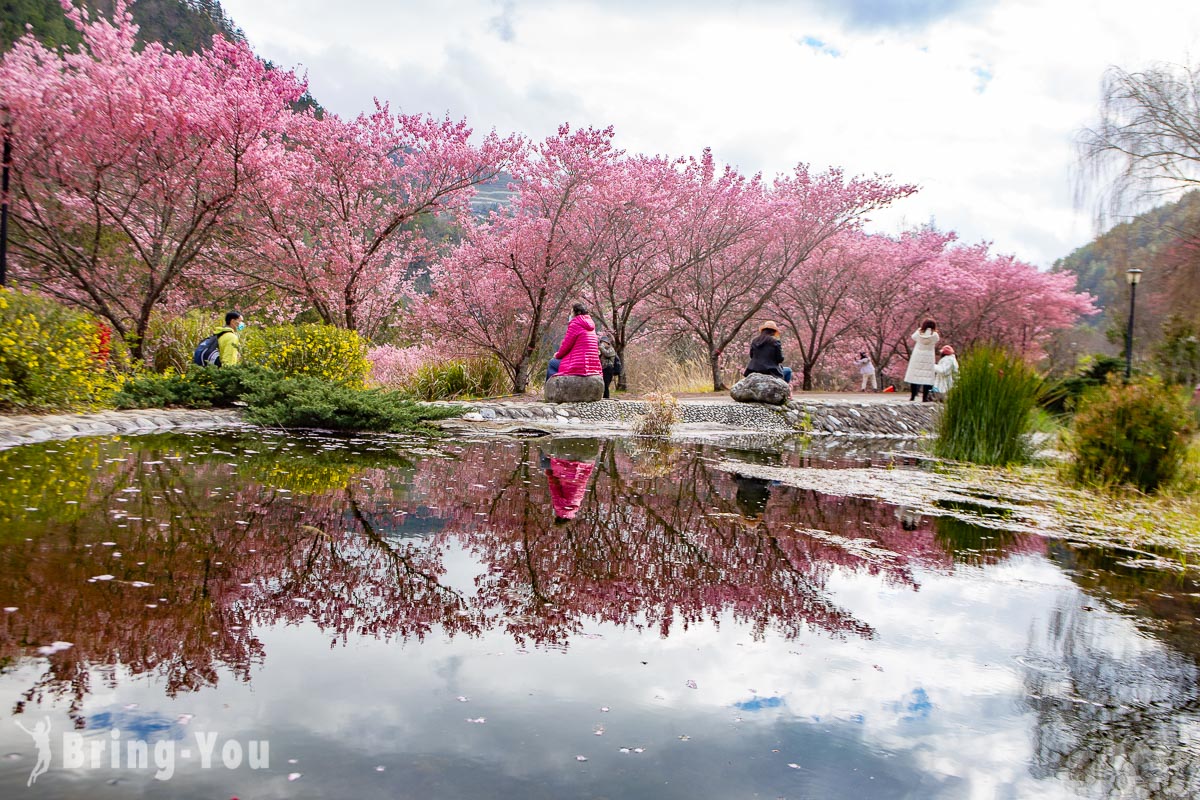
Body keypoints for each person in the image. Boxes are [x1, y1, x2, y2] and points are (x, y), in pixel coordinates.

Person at [546, 303, 602, 381]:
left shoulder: (575, 324)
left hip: (579, 365)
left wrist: (558, 355)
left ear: (577, 313)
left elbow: (566, 345)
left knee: (552, 363)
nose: (570, 315)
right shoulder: (591, 325)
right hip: (593, 365)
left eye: (571, 312)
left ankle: (552, 389)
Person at [903, 319, 939, 402]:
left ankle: (912, 396)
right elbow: (937, 340)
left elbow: (913, 337)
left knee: (914, 376)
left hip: (917, 356)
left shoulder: (918, 333)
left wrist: (920, 329)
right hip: (929, 356)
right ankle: (925, 397)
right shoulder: (935, 335)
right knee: (927, 378)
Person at [598, 331, 622, 400]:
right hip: (603, 368)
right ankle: (603, 397)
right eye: (601, 342)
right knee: (603, 383)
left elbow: (607, 354)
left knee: (606, 384)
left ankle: (606, 397)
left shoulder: (611, 349)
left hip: (608, 369)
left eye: (603, 342)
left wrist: (601, 348)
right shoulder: (602, 350)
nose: (602, 344)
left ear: (607, 343)